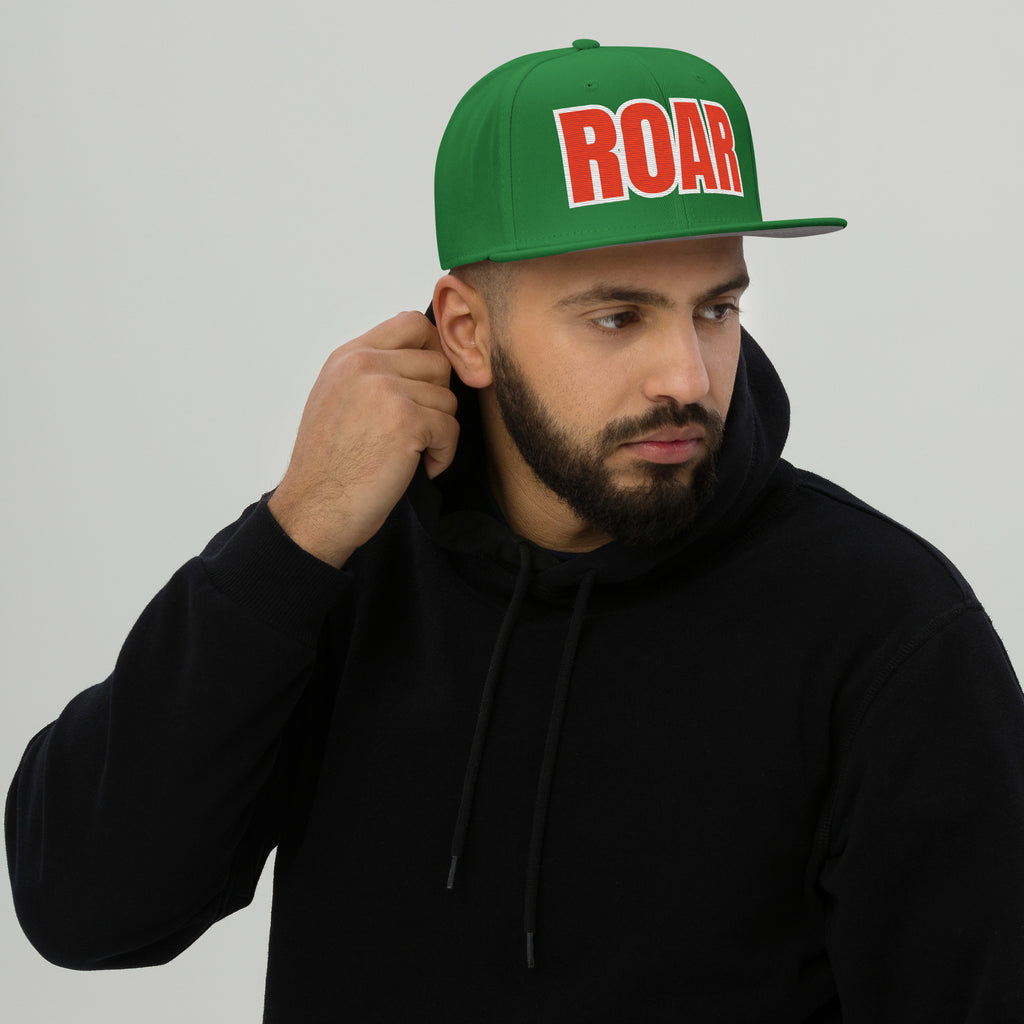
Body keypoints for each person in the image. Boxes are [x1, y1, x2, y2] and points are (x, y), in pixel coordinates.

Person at [7, 39, 1024, 1023]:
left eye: (714, 309)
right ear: (467, 332)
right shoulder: (340, 568)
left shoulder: (883, 629)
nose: (685, 375)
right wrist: (294, 531)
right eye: (617, 317)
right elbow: (86, 908)